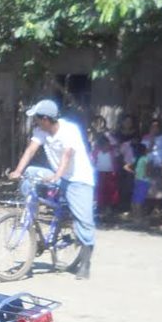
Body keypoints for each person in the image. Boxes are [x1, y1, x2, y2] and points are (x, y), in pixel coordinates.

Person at [8, 99, 96, 278]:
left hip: (79, 180)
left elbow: (67, 155)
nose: (35, 122)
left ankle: (86, 262)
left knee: (83, 220)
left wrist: (57, 175)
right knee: (30, 173)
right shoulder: (41, 131)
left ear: (46, 119)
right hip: (58, 175)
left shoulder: (69, 130)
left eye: (37, 118)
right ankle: (30, 214)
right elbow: (30, 150)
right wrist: (18, 170)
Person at [127, 141, 151, 225]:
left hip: (137, 180)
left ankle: (136, 218)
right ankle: (139, 219)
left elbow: (129, 168)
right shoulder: (145, 159)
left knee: (135, 200)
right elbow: (148, 170)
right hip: (143, 181)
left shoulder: (136, 159)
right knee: (139, 201)